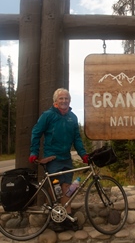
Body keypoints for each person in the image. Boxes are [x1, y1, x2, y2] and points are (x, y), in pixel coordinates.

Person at [29, 88, 88, 232]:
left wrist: (83, 154)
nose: (64, 101)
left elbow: (77, 138)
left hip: (66, 158)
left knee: (67, 188)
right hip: (52, 158)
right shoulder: (48, 115)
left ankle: (66, 216)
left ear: (70, 101)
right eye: (61, 98)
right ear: (55, 101)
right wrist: (33, 152)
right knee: (56, 189)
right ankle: (54, 217)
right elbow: (36, 132)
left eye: (66, 98)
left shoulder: (72, 117)